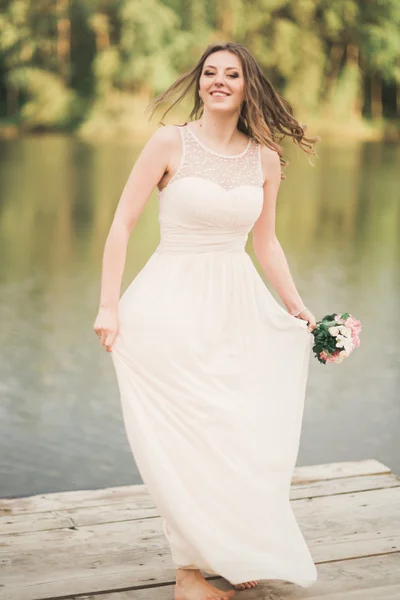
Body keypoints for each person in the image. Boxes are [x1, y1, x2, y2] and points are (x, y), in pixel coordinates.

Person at [93, 42, 319, 600]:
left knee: (234, 426)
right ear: (199, 83)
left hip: (235, 307)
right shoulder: (171, 141)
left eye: (231, 74)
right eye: (210, 73)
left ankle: (221, 545)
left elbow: (265, 244)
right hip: (170, 303)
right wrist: (107, 304)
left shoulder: (264, 157)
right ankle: (188, 573)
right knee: (183, 432)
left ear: (247, 86)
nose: (219, 80)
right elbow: (121, 225)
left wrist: (296, 305)